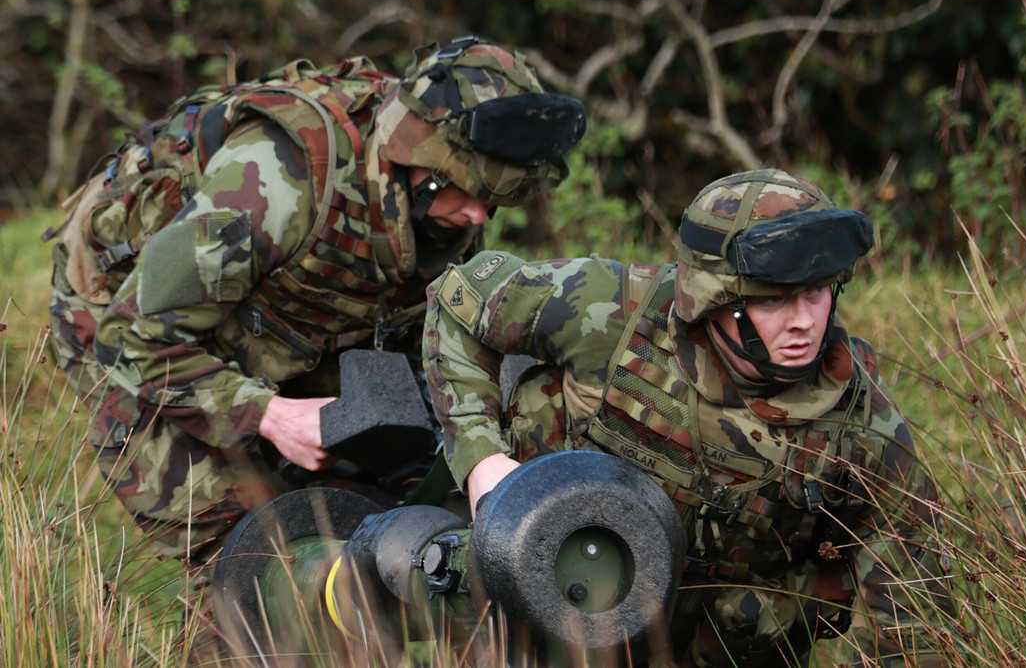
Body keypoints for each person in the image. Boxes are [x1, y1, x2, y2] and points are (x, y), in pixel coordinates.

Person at [45, 35, 585, 573]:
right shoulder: (276, 183)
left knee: (379, 523)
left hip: (286, 323)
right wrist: (272, 416)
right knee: (256, 560)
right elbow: (132, 336)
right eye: (467, 190)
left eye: (494, 199)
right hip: (127, 323)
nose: (479, 216)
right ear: (420, 158)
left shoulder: (442, 211)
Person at [423, 168, 959, 666]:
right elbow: (460, 301)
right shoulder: (611, 311)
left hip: (714, 650)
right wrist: (483, 462)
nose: (804, 322)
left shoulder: (862, 427)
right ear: (713, 299)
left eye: (816, 292)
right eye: (774, 301)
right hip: (534, 602)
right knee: (405, 568)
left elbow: (918, 618)